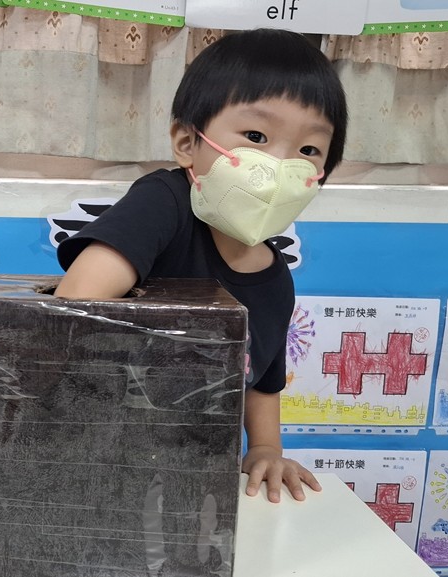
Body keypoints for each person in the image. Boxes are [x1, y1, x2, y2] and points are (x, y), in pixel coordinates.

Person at [55, 28, 348, 503]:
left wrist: (266, 449)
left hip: (191, 474)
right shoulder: (164, 203)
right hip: (98, 457)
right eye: (256, 137)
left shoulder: (277, 282)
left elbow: (262, 381)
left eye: (308, 150)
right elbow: (76, 303)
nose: (279, 165)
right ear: (188, 142)